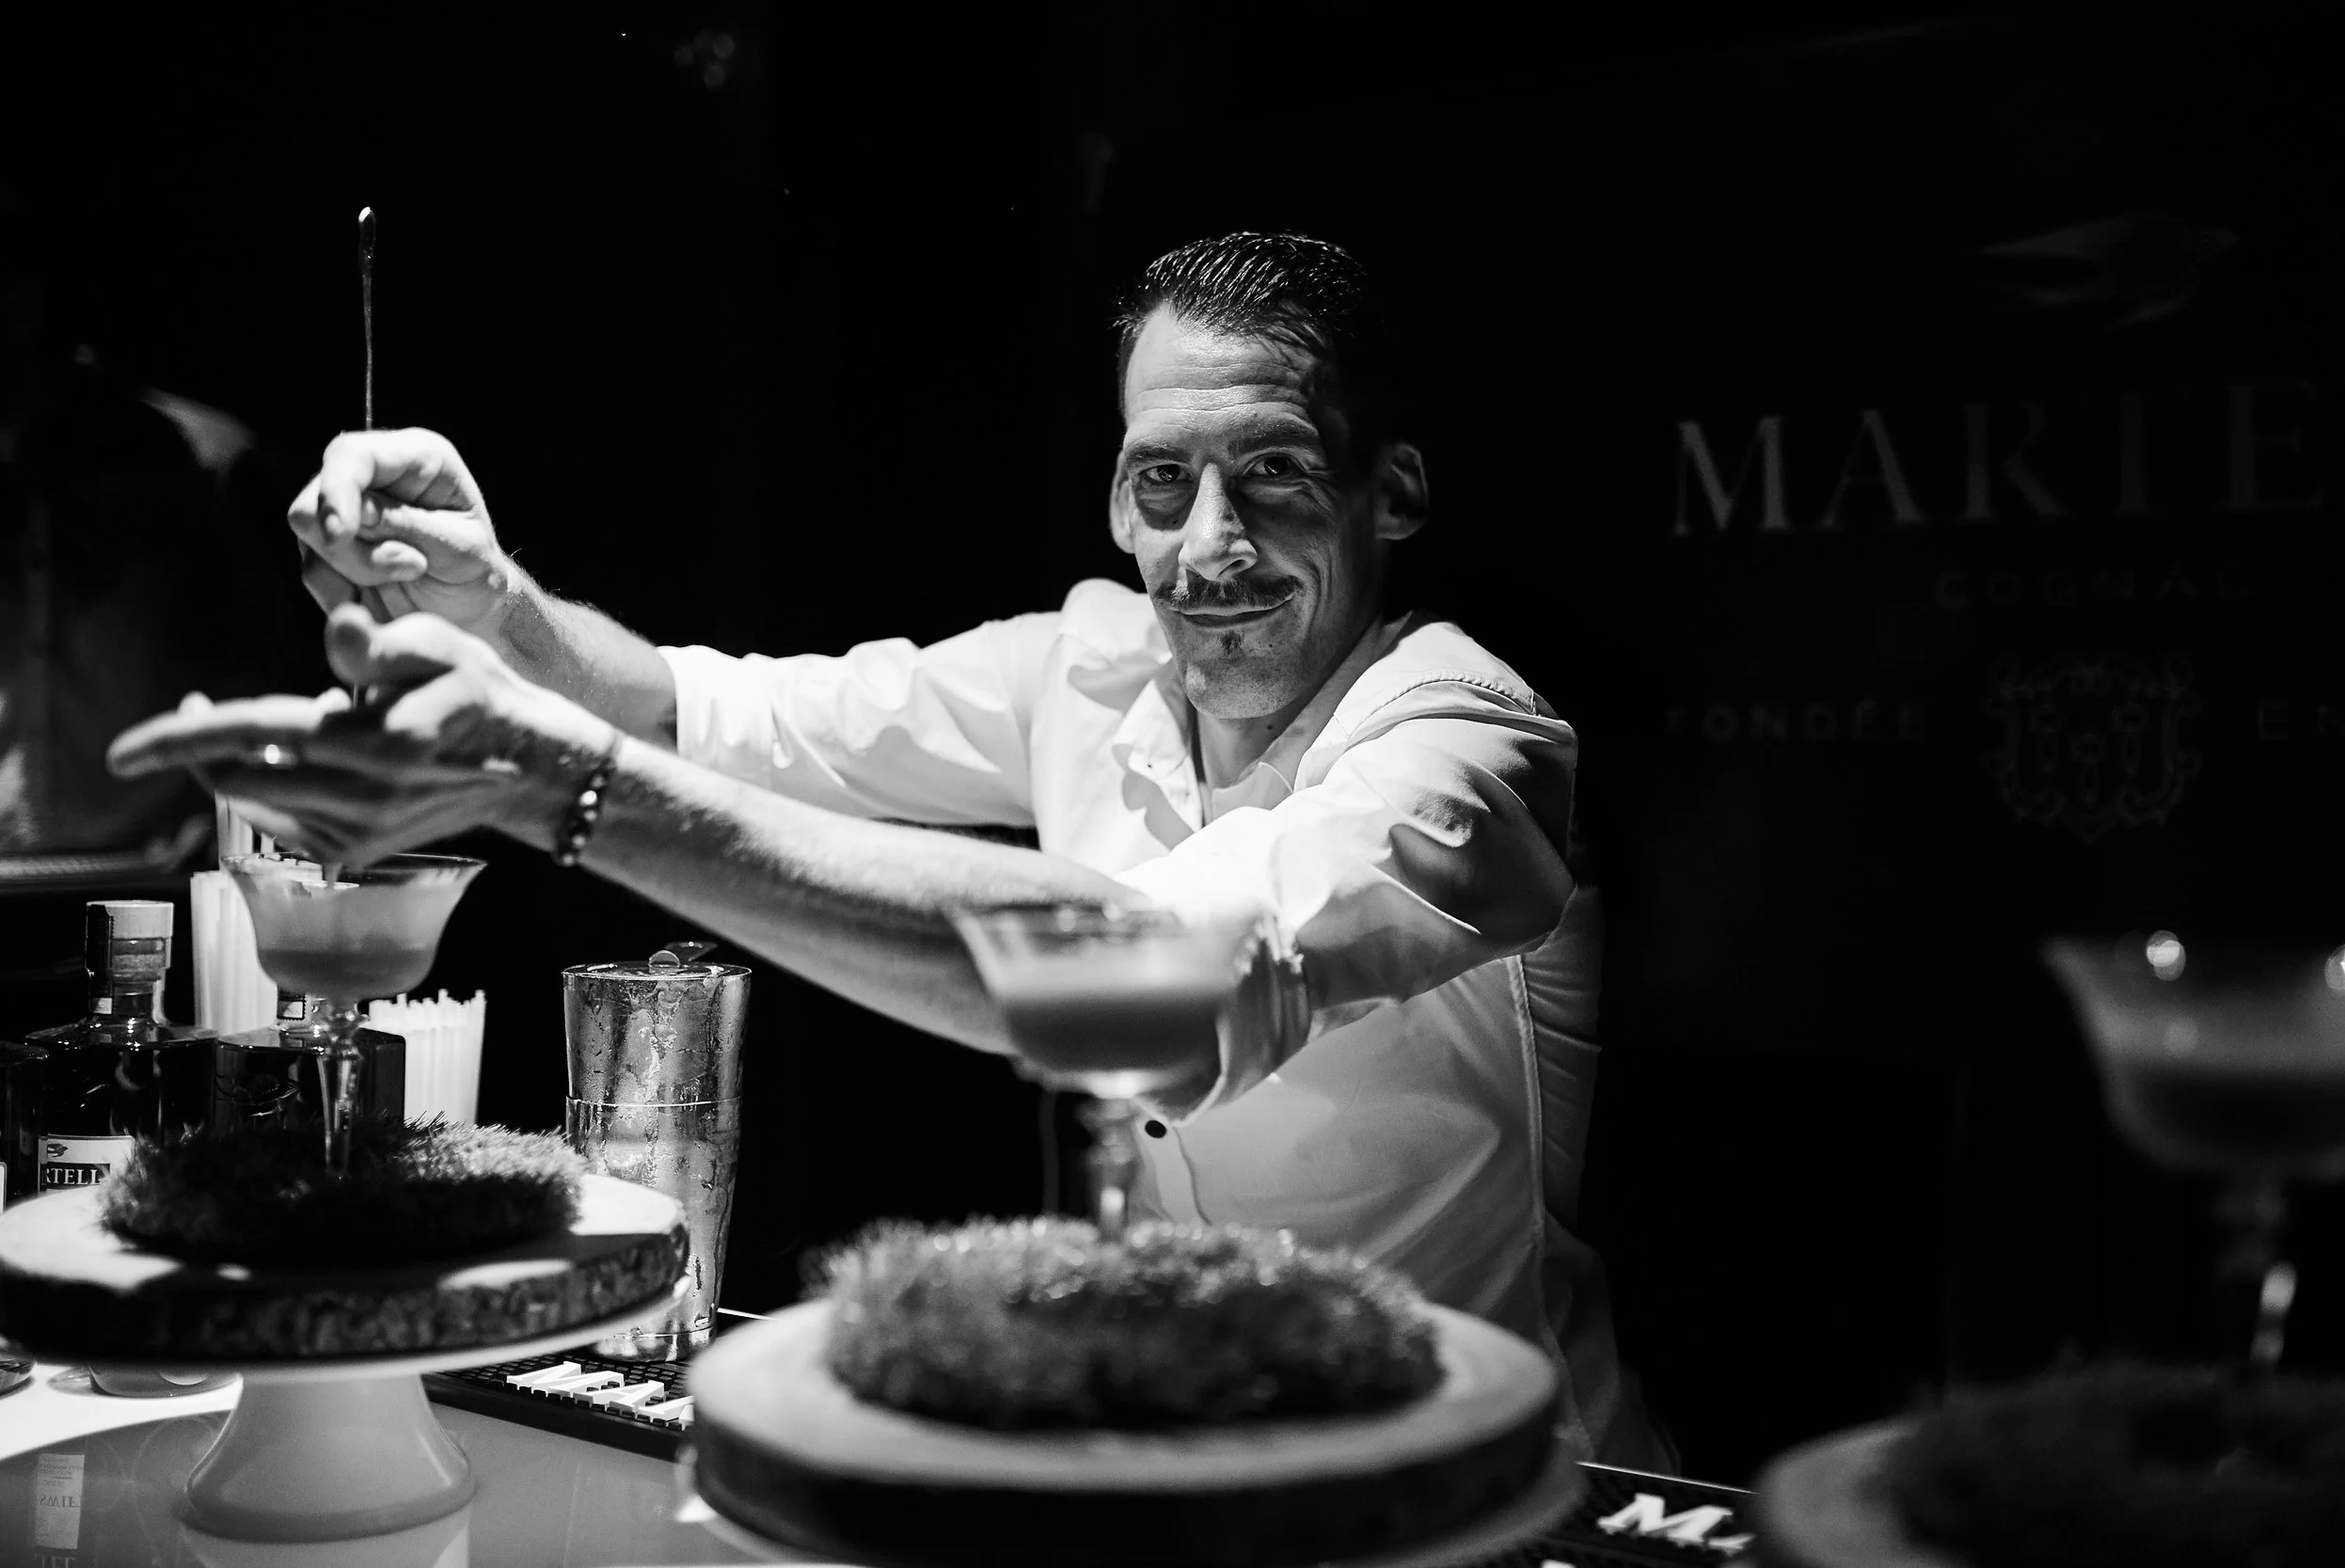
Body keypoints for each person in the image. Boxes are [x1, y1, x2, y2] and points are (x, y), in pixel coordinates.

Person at [110, 232, 1669, 1468]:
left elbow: (1153, 984)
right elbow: (711, 713)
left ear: (1392, 494)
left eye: (1274, 472)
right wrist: (497, 603)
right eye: (1164, 479)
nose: (1210, 545)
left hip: (1489, 1493)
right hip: (1180, 1461)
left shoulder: (1470, 742)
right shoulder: (1091, 664)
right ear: (1115, 497)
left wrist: (556, 789)